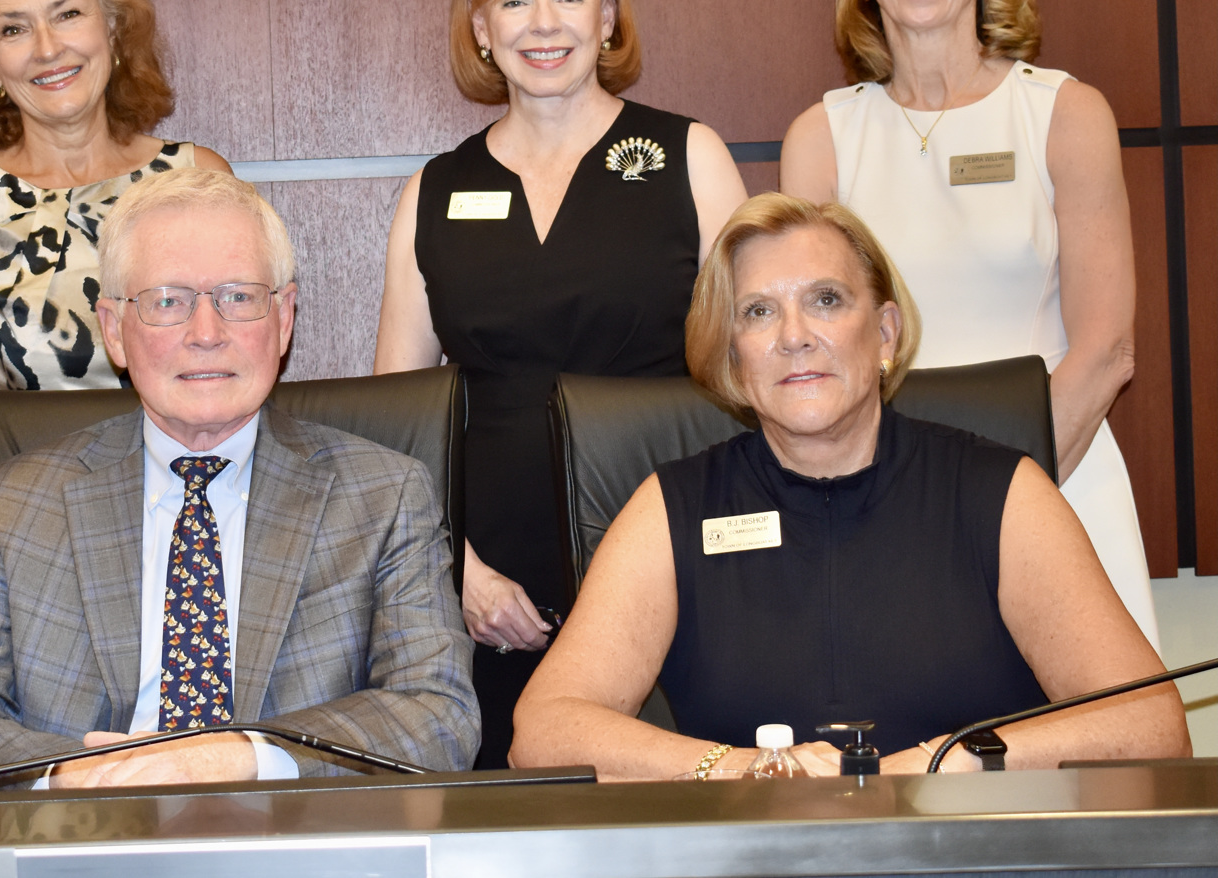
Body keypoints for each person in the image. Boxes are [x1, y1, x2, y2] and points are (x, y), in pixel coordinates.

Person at [509, 194, 1187, 780]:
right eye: (758, 312)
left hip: (966, 860)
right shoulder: (673, 509)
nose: (794, 337)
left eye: (825, 301)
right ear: (733, 359)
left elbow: (1151, 728)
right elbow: (542, 734)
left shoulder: (1003, 495)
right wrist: (743, 768)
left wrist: (942, 763)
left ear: (885, 333)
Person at [0, 169, 478, 785]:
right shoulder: (11, 507)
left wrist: (242, 758)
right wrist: (68, 775)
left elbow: (439, 716)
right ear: (114, 330)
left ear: (283, 318)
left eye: (239, 297)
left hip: (297, 848)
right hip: (83, 847)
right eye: (168, 301)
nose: (206, 334)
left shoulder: (384, 497)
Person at [374, 0, 747, 768]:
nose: (543, 25)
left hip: (675, 556)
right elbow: (398, 429)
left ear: (608, 18)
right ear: (480, 26)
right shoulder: (433, 191)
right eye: (514, 2)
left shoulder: (689, 157)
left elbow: (750, 376)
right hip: (490, 592)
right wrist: (451, 570)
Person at [780, 0, 1157, 645]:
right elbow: (808, 351)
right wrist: (916, 508)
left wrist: (1000, 497)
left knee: (1096, 763)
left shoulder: (1065, 114)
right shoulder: (821, 139)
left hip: (1059, 482)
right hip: (881, 505)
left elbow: (1106, 353)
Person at [0, 0, 231, 579]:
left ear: (112, 28)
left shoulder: (199, 180)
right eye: (12, 29)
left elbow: (237, 377)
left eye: (67, 14)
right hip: (36, 547)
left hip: (196, 527)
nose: (47, 48)